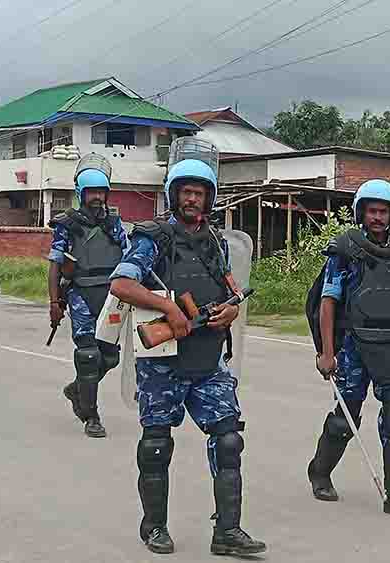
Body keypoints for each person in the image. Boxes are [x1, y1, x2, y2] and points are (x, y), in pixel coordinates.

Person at [108, 159, 265, 556]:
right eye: (186, 192)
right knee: (157, 444)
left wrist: (231, 311)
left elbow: (230, 290)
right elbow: (123, 284)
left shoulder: (216, 241)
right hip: (163, 361)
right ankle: (154, 527)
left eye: (199, 193)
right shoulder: (153, 238)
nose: (192, 199)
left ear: (209, 198)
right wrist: (170, 307)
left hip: (208, 358)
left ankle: (227, 532)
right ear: (174, 195)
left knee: (229, 440)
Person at [307, 179, 390, 521]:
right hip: (353, 347)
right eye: (372, 210)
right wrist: (327, 352)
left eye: (384, 211)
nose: (378, 217)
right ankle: (319, 471)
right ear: (362, 213)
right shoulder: (345, 248)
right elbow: (327, 304)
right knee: (346, 417)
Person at [48, 159, 128, 438]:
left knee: (110, 357)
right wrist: (54, 302)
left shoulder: (115, 224)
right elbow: (55, 264)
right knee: (88, 355)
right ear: (81, 193)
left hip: (111, 295)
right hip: (81, 293)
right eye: (92, 192)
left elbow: (129, 257)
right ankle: (91, 415)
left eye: (101, 192)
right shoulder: (67, 225)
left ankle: (76, 390)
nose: (97, 197)